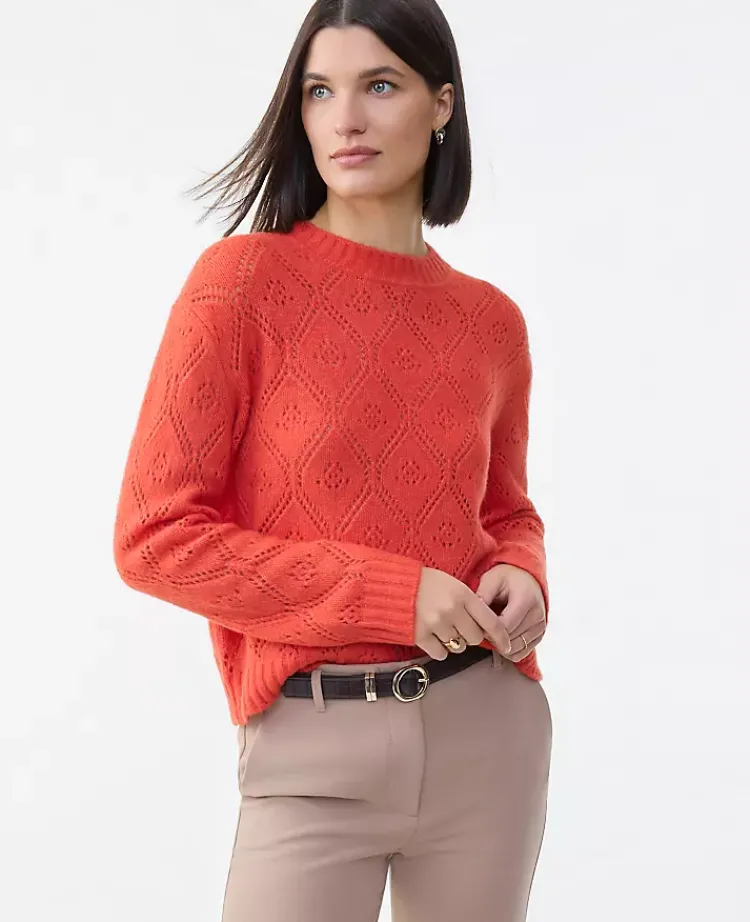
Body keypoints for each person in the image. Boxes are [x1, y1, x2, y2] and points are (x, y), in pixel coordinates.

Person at [112, 1, 552, 919]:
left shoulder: (491, 323)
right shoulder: (239, 286)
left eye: (379, 86)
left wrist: (522, 569)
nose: (345, 119)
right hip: (313, 740)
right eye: (320, 92)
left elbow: (505, 509)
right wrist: (393, 593)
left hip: (488, 732)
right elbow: (155, 538)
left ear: (441, 104)